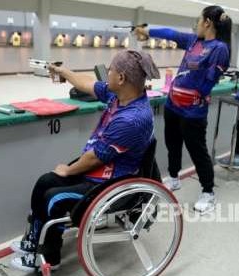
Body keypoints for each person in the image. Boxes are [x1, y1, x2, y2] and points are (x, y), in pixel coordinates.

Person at [9, 50, 160, 272]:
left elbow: (94, 157)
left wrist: (69, 171)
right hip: (101, 169)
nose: (106, 74)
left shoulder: (133, 119)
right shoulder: (118, 95)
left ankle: (49, 256)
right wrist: (63, 71)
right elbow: (87, 84)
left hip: (111, 183)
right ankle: (34, 238)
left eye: (110, 70)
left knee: (54, 197)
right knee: (44, 181)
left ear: (121, 78)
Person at [135, 5, 231, 214]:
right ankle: (174, 178)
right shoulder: (193, 41)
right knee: (173, 144)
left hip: (193, 111)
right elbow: (171, 34)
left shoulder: (219, 48)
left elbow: (208, 82)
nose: (196, 23)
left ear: (207, 22)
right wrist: (147, 30)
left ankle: (208, 192)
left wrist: (190, 89)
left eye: (199, 20)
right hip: (173, 105)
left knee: (198, 152)